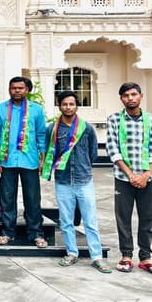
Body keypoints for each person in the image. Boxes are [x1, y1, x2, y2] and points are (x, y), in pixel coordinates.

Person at [43, 91, 111, 273]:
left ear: (77, 106)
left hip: (84, 180)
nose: (68, 107)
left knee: (90, 221)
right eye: (64, 104)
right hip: (63, 181)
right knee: (66, 220)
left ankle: (97, 257)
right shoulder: (52, 129)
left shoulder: (86, 128)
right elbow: (49, 151)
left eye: (71, 104)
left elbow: (93, 153)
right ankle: (71, 253)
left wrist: (84, 166)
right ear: (59, 106)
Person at [106, 82, 152, 276]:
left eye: (133, 94)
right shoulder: (114, 120)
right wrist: (131, 175)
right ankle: (126, 256)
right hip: (123, 178)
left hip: (148, 178)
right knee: (123, 217)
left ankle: (146, 258)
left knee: (147, 217)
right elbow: (112, 149)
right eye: (126, 95)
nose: (130, 98)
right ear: (121, 99)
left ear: (141, 96)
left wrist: (146, 175)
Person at [0, 76, 48, 247]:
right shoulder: (0, 109)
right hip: (7, 161)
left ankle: (36, 233)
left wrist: (42, 160)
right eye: (13, 88)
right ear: (9, 90)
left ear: (27, 90)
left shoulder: (36, 110)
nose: (16, 91)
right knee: (7, 199)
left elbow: (41, 135)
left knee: (32, 199)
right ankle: (8, 232)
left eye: (20, 88)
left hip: (30, 161)